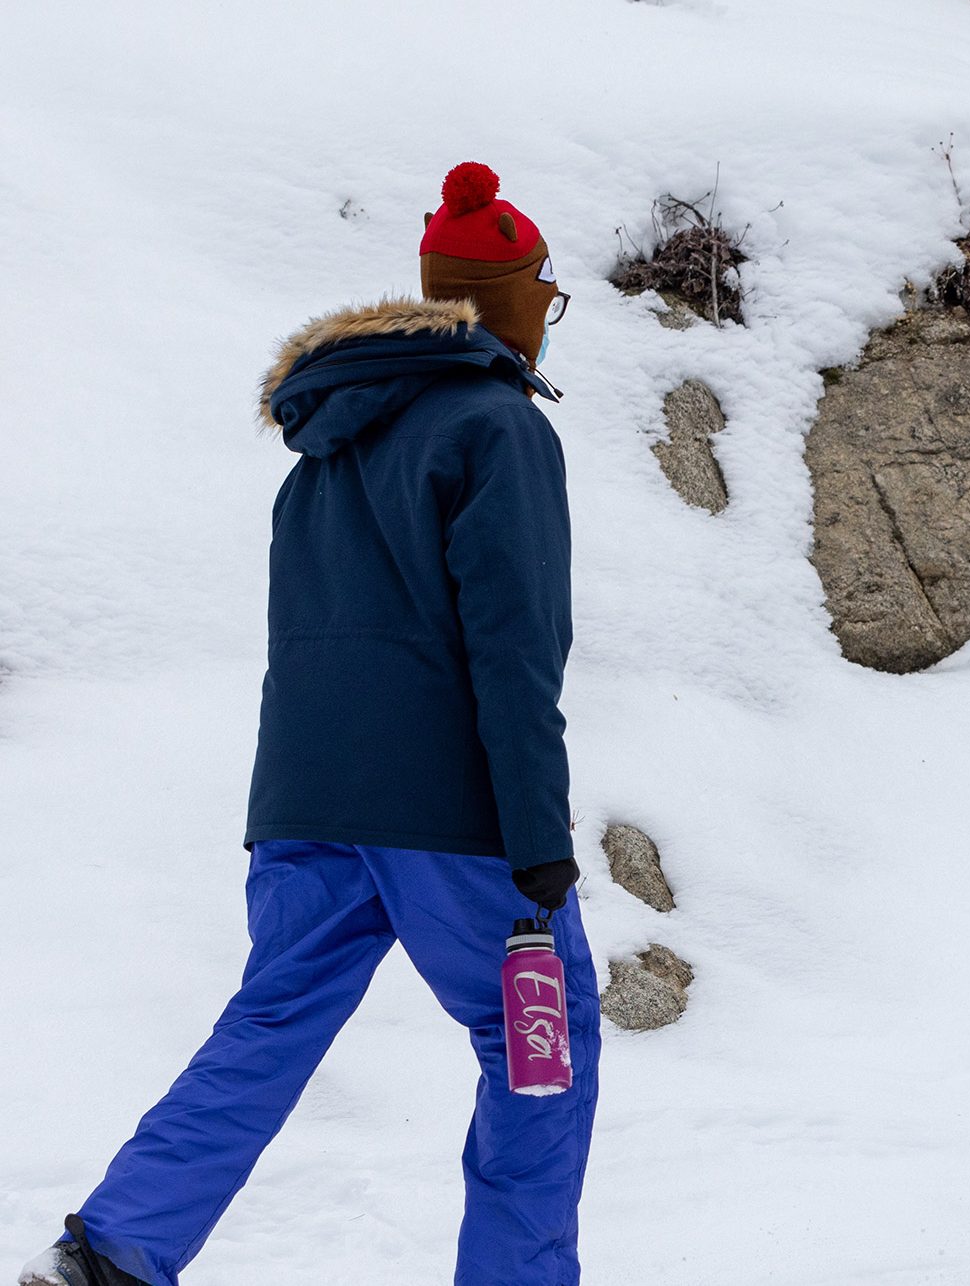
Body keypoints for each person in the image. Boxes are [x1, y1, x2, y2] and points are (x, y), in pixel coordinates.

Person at [18, 163, 599, 1286]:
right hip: (448, 813)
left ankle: (109, 1256)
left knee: (273, 1020)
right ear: (511, 299)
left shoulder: (330, 441)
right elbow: (516, 653)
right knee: (543, 1049)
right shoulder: (495, 427)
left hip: (306, 800)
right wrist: (538, 839)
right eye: (545, 291)